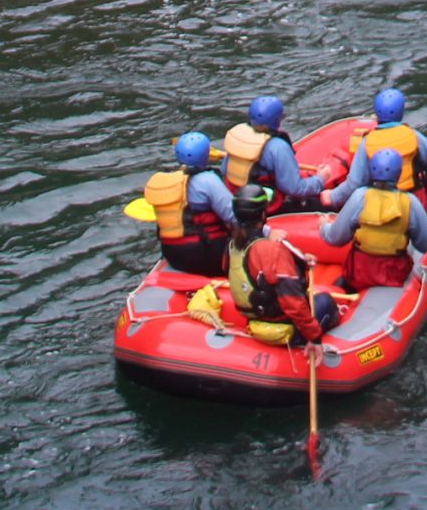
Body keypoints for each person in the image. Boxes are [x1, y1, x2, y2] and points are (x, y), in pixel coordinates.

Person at [226, 184, 340, 347]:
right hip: (285, 327)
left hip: (256, 320)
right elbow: (293, 302)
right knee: (325, 301)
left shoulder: (232, 246)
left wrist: (299, 261)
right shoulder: (271, 250)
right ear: (263, 213)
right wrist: (314, 339)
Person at [320, 148, 427, 292]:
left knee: (342, 282)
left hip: (359, 273)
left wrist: (324, 226)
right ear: (399, 174)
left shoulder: (359, 197)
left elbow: (335, 238)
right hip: (395, 274)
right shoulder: (410, 202)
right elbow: (426, 243)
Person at [326, 88, 427, 205]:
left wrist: (333, 196)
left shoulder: (367, 142)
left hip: (379, 203)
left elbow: (355, 183)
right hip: (413, 200)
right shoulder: (413, 136)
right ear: (401, 112)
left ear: (377, 114)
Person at [141, 132, 236, 275]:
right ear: (205, 156)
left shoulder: (167, 183)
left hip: (173, 256)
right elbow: (234, 216)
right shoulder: (208, 180)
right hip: (206, 255)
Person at [221, 95, 332, 209]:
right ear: (277, 120)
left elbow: (224, 171)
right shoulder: (278, 147)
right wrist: (320, 179)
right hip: (264, 207)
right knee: (321, 203)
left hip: (236, 199)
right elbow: (295, 189)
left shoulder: (238, 137)